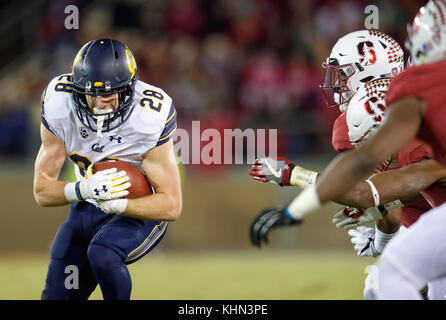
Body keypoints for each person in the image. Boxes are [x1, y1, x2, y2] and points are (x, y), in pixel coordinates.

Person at [256, 0, 446, 299]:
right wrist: (383, 226)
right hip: (430, 215)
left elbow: (373, 188)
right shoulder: (382, 111)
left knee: (392, 280)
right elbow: (386, 190)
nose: (337, 85)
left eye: (344, 74)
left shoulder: (417, 119)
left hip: (435, 215)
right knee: (391, 283)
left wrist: (294, 177)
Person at [33, 38, 182, 300]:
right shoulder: (59, 103)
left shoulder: (150, 116)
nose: (100, 103)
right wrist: (83, 189)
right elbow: (42, 191)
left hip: (138, 210)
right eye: (92, 93)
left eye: (109, 93)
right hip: (86, 206)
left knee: (103, 253)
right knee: (57, 295)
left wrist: (120, 205)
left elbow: (171, 205)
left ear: (128, 90)